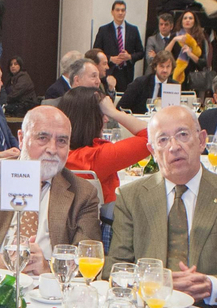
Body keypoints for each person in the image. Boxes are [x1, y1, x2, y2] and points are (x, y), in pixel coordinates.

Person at [109, 104, 217, 308]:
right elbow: (116, 268)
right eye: (163, 140)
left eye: (182, 135)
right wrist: (157, 284)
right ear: (152, 151)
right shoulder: (131, 197)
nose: (174, 146)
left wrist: (210, 285)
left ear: (202, 140)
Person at [0, 105, 100, 272]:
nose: (53, 149)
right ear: (21, 138)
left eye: (62, 141)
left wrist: (49, 267)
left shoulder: (83, 193)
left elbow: (87, 257)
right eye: (43, 138)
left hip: (46, 288)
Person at [57, 85, 150, 219]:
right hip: (100, 227)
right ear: (88, 119)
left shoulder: (53, 154)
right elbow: (152, 137)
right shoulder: (96, 157)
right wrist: (114, 112)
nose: (106, 119)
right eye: (102, 113)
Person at [93, 0, 144, 89]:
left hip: (126, 72)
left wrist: (129, 56)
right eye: (117, 10)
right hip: (109, 70)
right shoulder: (104, 30)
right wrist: (110, 58)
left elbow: (141, 52)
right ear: (112, 12)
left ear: (125, 12)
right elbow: (95, 52)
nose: (120, 13)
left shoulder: (133, 30)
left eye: (123, 10)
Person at [118, 50, 175, 115]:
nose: (165, 70)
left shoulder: (174, 86)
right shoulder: (140, 83)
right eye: (161, 66)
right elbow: (121, 107)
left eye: (168, 67)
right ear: (155, 67)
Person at [170, 10, 211, 95]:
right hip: (175, 74)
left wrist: (190, 54)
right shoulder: (175, 36)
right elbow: (165, 53)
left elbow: (203, 62)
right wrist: (174, 40)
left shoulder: (200, 38)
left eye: (190, 18)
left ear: (194, 21)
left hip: (192, 77)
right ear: (181, 21)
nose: (187, 20)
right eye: (185, 18)